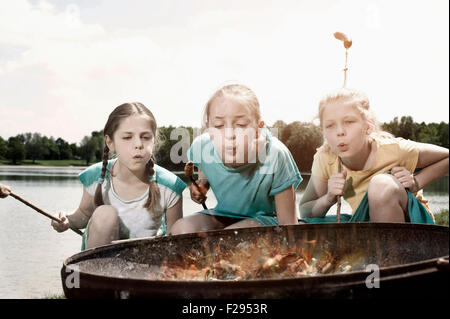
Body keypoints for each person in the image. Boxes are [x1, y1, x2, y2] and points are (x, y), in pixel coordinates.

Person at [299, 88, 449, 223]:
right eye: (330, 125)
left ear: (368, 126)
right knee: (302, 225)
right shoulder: (326, 158)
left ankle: (394, 253)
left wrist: (416, 182)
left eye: (349, 121)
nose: (340, 132)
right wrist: (328, 198)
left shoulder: (394, 149)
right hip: (365, 222)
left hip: (412, 224)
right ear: (323, 131)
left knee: (380, 185)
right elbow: (305, 210)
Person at [52, 102, 186, 250]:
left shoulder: (169, 185)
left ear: (154, 140)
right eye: (127, 137)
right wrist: (66, 219)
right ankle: (92, 272)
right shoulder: (96, 177)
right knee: (105, 214)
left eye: (146, 137)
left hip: (146, 263)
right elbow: (83, 215)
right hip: (99, 265)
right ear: (110, 143)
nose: (138, 144)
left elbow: (175, 241)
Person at [171, 84, 302, 235]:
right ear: (208, 128)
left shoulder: (275, 154)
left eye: (240, 125)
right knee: (180, 230)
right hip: (224, 215)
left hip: (268, 220)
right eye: (219, 125)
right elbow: (205, 174)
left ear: (258, 128)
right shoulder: (201, 147)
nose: (229, 134)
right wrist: (202, 186)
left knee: (231, 238)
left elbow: (289, 224)